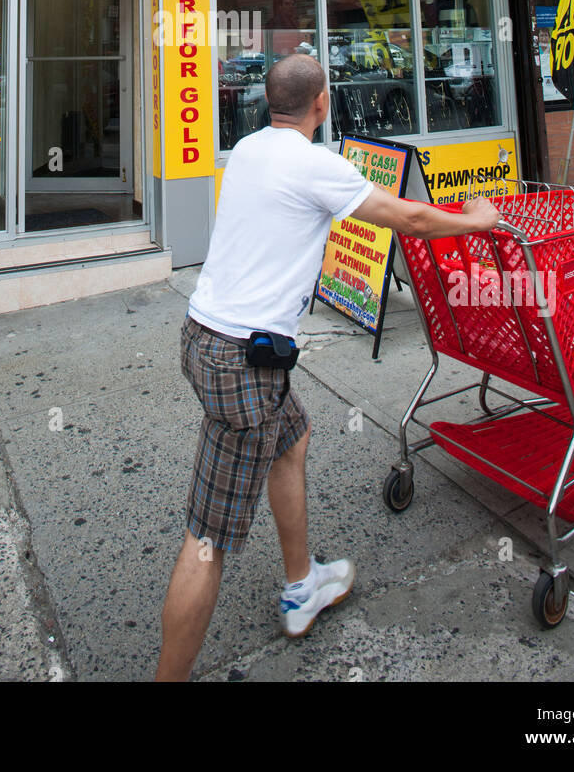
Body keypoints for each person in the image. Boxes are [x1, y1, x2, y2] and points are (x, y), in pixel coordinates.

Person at [155, 53, 501, 681]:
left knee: (293, 438)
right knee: (207, 539)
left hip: (205, 339)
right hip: (242, 363)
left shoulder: (250, 148)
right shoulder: (318, 166)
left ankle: (301, 584)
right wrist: (475, 219)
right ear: (321, 104)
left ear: (269, 102)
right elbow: (413, 217)